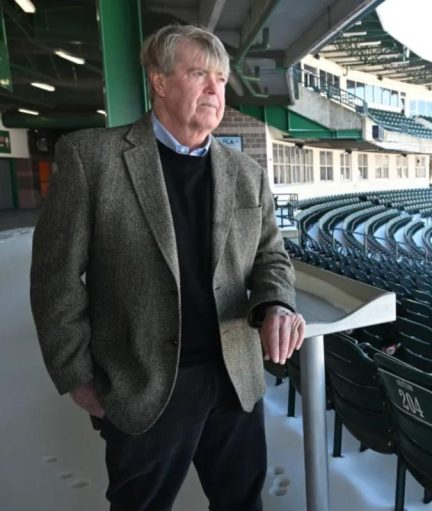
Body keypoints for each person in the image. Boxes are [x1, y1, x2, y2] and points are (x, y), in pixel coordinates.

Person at [30, 24, 305, 511]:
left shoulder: (247, 174)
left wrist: (277, 303)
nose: (214, 90)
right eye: (199, 74)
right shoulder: (92, 158)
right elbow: (56, 275)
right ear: (159, 80)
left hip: (234, 380)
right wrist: (76, 374)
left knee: (242, 503)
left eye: (220, 79)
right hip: (144, 382)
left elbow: (271, 256)